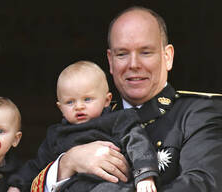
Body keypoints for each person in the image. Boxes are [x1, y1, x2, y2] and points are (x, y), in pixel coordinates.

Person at [32, 6, 222, 192]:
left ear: (168, 57)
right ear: (110, 61)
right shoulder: (89, 115)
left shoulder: (199, 113)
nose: (133, 64)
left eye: (145, 52)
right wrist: (68, 163)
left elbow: (202, 184)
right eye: (122, 54)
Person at [9, 61, 158, 192]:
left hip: (109, 185)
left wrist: (144, 176)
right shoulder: (56, 134)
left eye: (87, 99)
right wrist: (17, 185)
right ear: (60, 108)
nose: (79, 107)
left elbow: (138, 144)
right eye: (70, 102)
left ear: (107, 100)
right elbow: (36, 166)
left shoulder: (118, 121)